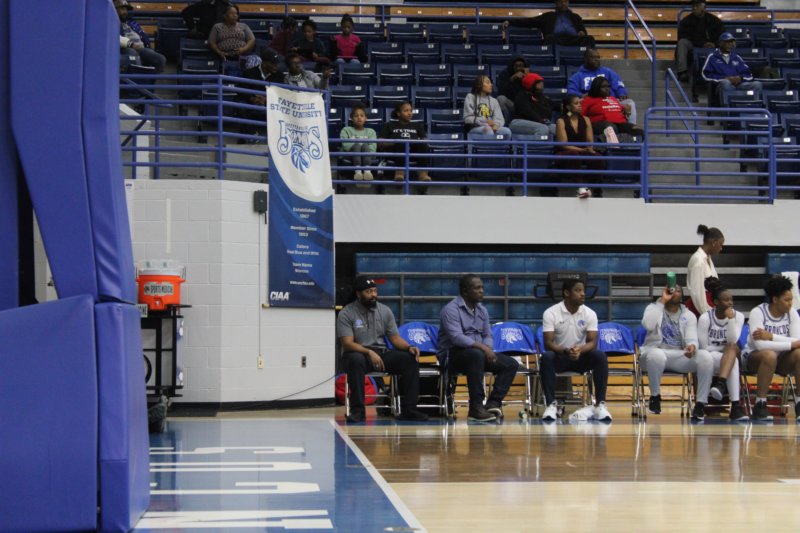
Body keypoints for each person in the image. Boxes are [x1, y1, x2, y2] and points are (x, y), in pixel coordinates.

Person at [337, 276, 429, 424]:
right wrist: (369, 352)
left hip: (381, 354)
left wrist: (409, 347)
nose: (373, 294)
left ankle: (409, 409)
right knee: (355, 360)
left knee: (409, 359)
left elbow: (395, 339)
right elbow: (347, 343)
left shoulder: (385, 310)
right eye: (368, 292)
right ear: (358, 294)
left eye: (374, 291)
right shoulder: (346, 313)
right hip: (357, 353)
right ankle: (358, 411)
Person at [438, 275, 520, 422]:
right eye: (477, 288)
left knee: (510, 364)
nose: (482, 291)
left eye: (482, 287)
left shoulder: (482, 310)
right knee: (476, 355)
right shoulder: (450, 310)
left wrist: (487, 348)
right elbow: (457, 337)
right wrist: (484, 348)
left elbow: (487, 334)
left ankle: (493, 403)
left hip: (478, 354)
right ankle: (475, 408)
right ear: (465, 291)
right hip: (452, 356)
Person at [539, 278, 612, 422]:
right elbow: (548, 343)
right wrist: (566, 351)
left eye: (583, 290)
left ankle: (600, 405)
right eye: (578, 290)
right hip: (560, 357)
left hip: (581, 357)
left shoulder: (590, 313)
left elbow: (593, 342)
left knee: (600, 356)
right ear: (566, 293)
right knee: (546, 357)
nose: (583, 294)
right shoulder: (551, 313)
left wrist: (580, 350)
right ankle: (551, 405)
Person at [639, 284, 714, 416]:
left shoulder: (689, 315)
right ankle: (655, 397)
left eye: (678, 290)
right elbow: (648, 325)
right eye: (671, 289)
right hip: (653, 355)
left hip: (679, 356)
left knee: (705, 356)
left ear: (682, 297)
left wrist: (692, 346)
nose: (674, 292)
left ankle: (700, 404)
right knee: (657, 355)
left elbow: (692, 338)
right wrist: (662, 301)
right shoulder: (653, 308)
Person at [743, 275, 800, 422]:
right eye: (786, 300)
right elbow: (760, 345)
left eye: (791, 299)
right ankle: (760, 404)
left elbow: (798, 342)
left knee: (799, 354)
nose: (790, 303)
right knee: (769, 355)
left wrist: (771, 336)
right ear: (775, 299)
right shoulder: (758, 312)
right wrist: (790, 344)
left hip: (781, 359)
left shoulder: (792, 313)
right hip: (755, 357)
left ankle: (799, 402)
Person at [696, 277, 748, 421]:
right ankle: (734, 407)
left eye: (731, 299)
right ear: (716, 302)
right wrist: (722, 348)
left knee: (732, 352)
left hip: (727, 355)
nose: (730, 303)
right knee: (730, 357)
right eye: (726, 300)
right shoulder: (705, 318)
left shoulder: (738, 316)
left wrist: (730, 320)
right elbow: (704, 347)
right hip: (710, 355)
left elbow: (733, 340)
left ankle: (721, 386)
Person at [567, 49, 637, 124]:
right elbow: (570, 92)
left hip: (610, 101)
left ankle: (631, 127)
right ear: (586, 59)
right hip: (592, 102)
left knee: (630, 103)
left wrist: (621, 93)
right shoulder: (577, 76)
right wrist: (581, 95)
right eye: (593, 57)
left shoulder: (608, 72)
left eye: (598, 57)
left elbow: (618, 84)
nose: (597, 59)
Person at [554, 94, 604, 199]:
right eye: (576, 103)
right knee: (574, 154)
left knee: (597, 157)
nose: (580, 105)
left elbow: (590, 140)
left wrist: (589, 148)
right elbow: (564, 144)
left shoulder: (586, 119)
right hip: (566, 152)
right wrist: (583, 150)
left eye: (580, 103)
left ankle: (593, 189)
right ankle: (581, 187)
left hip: (583, 150)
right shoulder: (561, 121)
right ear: (568, 107)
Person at [504, 0, 595, 48]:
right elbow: (530, 21)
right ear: (556, 3)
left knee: (589, 39)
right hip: (557, 40)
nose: (563, 4)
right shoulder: (548, 16)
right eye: (561, 1)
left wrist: (582, 32)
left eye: (565, 1)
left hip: (573, 40)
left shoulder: (575, 17)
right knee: (549, 38)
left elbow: (583, 30)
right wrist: (511, 22)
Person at [701, 32, 763, 102]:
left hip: (738, 85)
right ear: (720, 43)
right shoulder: (712, 57)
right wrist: (724, 78)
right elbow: (705, 75)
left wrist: (740, 78)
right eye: (727, 42)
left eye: (731, 42)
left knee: (757, 84)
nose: (730, 44)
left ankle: (752, 107)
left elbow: (749, 74)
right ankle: (730, 107)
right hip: (721, 85)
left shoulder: (736, 57)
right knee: (726, 83)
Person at [379, 101, 432, 182]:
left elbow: (424, 140)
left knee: (422, 145)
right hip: (395, 153)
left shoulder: (417, 125)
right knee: (402, 143)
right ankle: (400, 173)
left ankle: (423, 174)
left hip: (413, 153)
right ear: (398, 113)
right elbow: (381, 142)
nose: (409, 113)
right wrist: (395, 142)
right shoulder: (389, 125)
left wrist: (417, 141)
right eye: (406, 111)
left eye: (410, 110)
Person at [237, 49, 284, 139]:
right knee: (240, 106)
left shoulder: (279, 75)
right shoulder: (249, 72)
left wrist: (267, 99)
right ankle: (251, 136)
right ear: (265, 63)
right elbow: (241, 90)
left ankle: (278, 138)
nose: (276, 66)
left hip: (270, 103)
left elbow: (280, 92)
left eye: (277, 63)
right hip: (251, 102)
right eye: (273, 63)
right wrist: (252, 98)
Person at [675, 0, 726, 82]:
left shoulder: (713, 20)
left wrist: (715, 44)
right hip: (694, 45)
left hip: (712, 46)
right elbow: (683, 36)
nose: (695, 8)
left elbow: (722, 34)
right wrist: (702, 44)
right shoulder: (686, 21)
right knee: (682, 42)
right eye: (694, 6)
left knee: (726, 42)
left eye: (699, 6)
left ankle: (724, 71)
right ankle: (682, 72)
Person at [116, 0, 166, 73]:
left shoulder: (132, 23)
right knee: (133, 55)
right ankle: (136, 79)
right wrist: (131, 44)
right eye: (122, 9)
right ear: (115, 10)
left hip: (141, 48)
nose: (125, 12)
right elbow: (116, 38)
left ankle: (151, 79)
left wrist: (148, 47)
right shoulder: (113, 22)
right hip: (126, 48)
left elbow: (144, 37)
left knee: (161, 59)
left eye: (126, 10)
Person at [686, 224, 724, 316]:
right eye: (720, 245)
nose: (721, 248)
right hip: (699, 310)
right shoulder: (698, 260)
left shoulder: (707, 258)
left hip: (710, 306)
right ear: (714, 242)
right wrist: (707, 316)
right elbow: (697, 293)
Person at [463, 75, 512, 140]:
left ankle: (502, 147)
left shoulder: (494, 101)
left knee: (507, 132)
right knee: (488, 130)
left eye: (491, 83)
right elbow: (467, 118)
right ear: (479, 85)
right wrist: (486, 122)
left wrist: (495, 125)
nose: (491, 85)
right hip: (476, 128)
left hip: (492, 127)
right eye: (487, 82)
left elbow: (500, 119)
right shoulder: (470, 97)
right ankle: (491, 146)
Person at [509, 73, 557, 137]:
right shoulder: (521, 96)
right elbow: (529, 112)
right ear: (531, 84)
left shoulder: (541, 97)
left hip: (538, 122)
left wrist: (567, 105)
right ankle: (535, 143)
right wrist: (541, 120)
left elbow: (555, 105)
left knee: (558, 128)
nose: (542, 85)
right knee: (542, 128)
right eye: (539, 83)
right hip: (519, 122)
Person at [341, 104, 377, 182]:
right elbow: (345, 146)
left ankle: (367, 172)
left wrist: (362, 148)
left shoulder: (371, 131)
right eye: (356, 116)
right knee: (357, 146)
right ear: (351, 118)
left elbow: (373, 148)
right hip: (350, 155)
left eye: (362, 115)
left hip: (368, 155)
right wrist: (358, 147)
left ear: (365, 118)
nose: (359, 118)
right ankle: (358, 173)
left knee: (365, 146)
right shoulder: (346, 130)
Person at [496, 57, 529, 124]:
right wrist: (512, 79)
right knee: (501, 98)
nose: (518, 68)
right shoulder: (504, 74)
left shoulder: (529, 75)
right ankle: (506, 124)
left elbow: (533, 92)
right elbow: (501, 91)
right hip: (512, 104)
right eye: (516, 66)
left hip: (526, 106)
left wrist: (527, 78)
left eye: (521, 66)